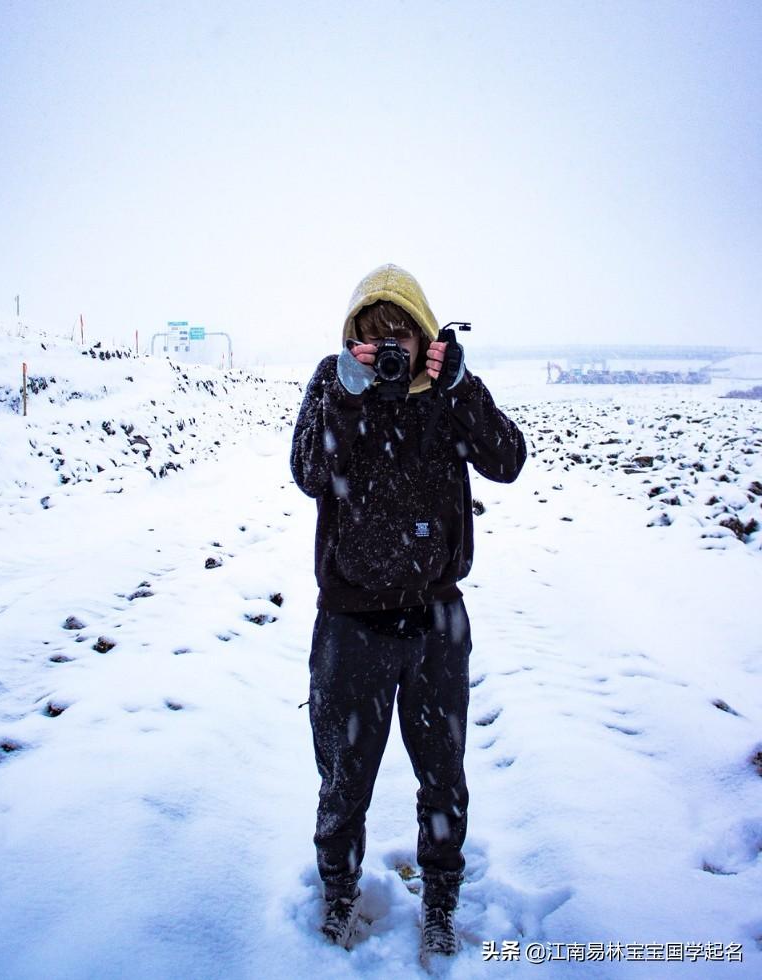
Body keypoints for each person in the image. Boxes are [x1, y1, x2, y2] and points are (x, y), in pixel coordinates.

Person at [290, 263, 526, 957]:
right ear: (353, 337)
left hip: (433, 624)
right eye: (373, 333)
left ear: (425, 333)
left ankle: (442, 903)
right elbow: (309, 474)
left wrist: (462, 387)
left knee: (444, 778)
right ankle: (337, 896)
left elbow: (508, 459)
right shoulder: (335, 382)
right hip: (351, 626)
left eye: (402, 331)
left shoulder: (447, 391)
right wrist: (348, 396)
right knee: (343, 780)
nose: (389, 346)